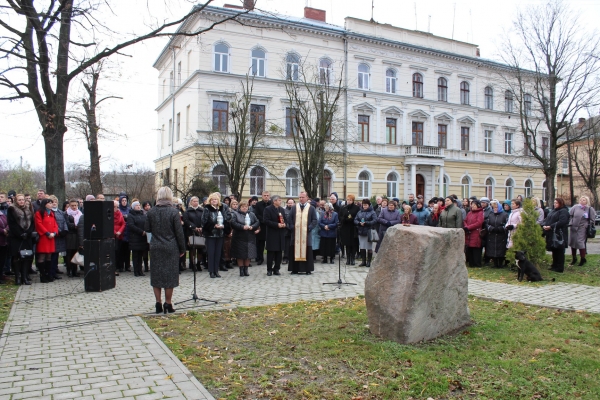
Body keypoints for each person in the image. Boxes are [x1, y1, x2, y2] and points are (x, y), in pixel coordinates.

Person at [144, 187, 185, 313]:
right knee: (170, 276)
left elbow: (147, 228)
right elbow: (179, 232)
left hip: (156, 246)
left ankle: (158, 303)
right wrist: (182, 248)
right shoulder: (174, 212)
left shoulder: (151, 212)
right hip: (171, 246)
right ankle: (168, 303)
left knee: (156, 275)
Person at [7, 194, 36, 285]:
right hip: (16, 237)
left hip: (27, 237)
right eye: (19, 200)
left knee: (27, 257)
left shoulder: (29, 208)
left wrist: (28, 232)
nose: (21, 201)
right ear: (16, 201)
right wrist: (20, 233)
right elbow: (12, 224)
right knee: (16, 257)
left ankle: (25, 276)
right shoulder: (11, 209)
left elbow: (32, 222)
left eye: (23, 200)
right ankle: (17, 277)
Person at [288, 191, 318, 275]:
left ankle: (307, 269)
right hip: (296, 234)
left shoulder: (311, 208)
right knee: (294, 249)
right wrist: (291, 227)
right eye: (300, 197)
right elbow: (289, 218)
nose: (301, 199)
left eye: (303, 197)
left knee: (307, 250)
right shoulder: (294, 207)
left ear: (307, 198)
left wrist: (309, 227)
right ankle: (294, 269)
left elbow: (315, 220)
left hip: (306, 234)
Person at [201, 192, 229, 278]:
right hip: (211, 234)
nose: (214, 201)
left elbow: (226, 219)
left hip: (220, 234)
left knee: (218, 253)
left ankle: (216, 270)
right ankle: (211, 271)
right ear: (210, 200)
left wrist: (224, 226)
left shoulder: (221, 208)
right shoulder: (207, 209)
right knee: (211, 253)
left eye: (216, 199)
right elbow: (204, 222)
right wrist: (213, 225)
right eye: (213, 199)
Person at [230, 200, 260, 277]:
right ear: (240, 207)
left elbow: (257, 222)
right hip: (239, 237)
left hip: (250, 237)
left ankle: (246, 269)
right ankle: (241, 270)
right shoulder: (235, 214)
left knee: (248, 254)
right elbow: (233, 223)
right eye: (243, 206)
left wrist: (252, 227)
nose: (244, 208)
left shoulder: (252, 214)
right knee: (240, 255)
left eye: (246, 206)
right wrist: (242, 227)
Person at [35, 198, 59, 283]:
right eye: (49, 203)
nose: (51, 204)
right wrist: (47, 233)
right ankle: (42, 275)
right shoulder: (39, 213)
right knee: (42, 256)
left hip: (51, 237)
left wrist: (55, 233)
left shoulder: (52, 213)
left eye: (52, 203)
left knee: (49, 256)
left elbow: (55, 224)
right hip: (44, 237)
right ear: (45, 204)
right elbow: (39, 224)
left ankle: (49, 274)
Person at [543, 198, 570, 273]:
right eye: (554, 203)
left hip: (559, 233)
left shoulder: (563, 211)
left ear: (561, 203)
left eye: (556, 203)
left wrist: (551, 226)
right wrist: (545, 225)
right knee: (554, 249)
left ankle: (559, 267)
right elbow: (547, 219)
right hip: (551, 232)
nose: (555, 204)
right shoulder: (553, 211)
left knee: (560, 250)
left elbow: (562, 221)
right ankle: (554, 265)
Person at [568, 195, 595, 266]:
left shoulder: (589, 209)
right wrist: (571, 222)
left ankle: (582, 258)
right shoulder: (575, 207)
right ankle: (574, 258)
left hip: (582, 228)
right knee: (572, 242)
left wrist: (586, 225)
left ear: (587, 201)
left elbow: (592, 220)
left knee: (580, 243)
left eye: (584, 200)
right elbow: (570, 215)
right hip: (573, 228)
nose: (582, 201)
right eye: (581, 200)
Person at [263, 195, 287, 276]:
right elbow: (266, 221)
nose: (280, 202)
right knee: (271, 253)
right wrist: (277, 225)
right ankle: (269, 269)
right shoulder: (268, 209)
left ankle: (277, 268)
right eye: (279, 200)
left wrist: (285, 224)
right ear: (274, 201)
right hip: (272, 234)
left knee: (279, 253)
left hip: (280, 234)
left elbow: (285, 219)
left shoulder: (282, 210)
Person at [49, 195, 68, 279]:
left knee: (56, 255)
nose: (54, 204)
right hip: (54, 236)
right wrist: (58, 231)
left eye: (55, 202)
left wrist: (65, 230)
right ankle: (51, 272)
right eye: (52, 202)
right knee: (52, 256)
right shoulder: (49, 213)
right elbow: (53, 224)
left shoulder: (60, 212)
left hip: (60, 236)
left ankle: (55, 270)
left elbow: (64, 221)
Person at [183, 196, 204, 271]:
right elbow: (186, 221)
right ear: (191, 202)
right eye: (194, 201)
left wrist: (201, 227)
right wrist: (194, 227)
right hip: (191, 231)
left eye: (197, 201)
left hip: (200, 232)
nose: (196, 203)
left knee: (200, 248)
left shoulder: (201, 210)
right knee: (192, 248)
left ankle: (198, 263)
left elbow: (204, 219)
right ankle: (193, 264)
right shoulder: (187, 211)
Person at [128, 201, 148, 277]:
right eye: (137, 205)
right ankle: (136, 271)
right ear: (133, 207)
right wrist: (141, 232)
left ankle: (140, 270)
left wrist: (145, 231)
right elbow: (131, 225)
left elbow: (146, 223)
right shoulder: (131, 215)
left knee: (141, 255)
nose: (138, 206)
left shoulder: (142, 214)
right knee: (135, 255)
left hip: (142, 238)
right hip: (135, 238)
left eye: (139, 205)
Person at [486, 200, 508, 268]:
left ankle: (500, 264)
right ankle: (495, 264)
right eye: (494, 208)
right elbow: (487, 224)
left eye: (496, 208)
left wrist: (501, 228)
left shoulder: (504, 215)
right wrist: (491, 228)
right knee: (493, 249)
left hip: (501, 235)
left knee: (501, 249)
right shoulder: (491, 214)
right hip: (492, 234)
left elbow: (507, 224)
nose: (495, 209)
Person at [354, 199, 377, 267]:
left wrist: (367, 223)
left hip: (369, 231)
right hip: (361, 231)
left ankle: (369, 261)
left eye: (366, 205)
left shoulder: (372, 212)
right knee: (362, 247)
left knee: (369, 248)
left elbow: (375, 220)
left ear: (369, 205)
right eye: (364, 205)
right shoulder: (359, 212)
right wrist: (359, 223)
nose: (365, 206)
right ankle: (363, 261)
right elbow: (355, 219)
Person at [338, 194, 360, 265]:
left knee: (353, 244)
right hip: (345, 227)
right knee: (347, 244)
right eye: (348, 200)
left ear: (353, 200)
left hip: (353, 228)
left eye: (350, 200)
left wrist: (352, 219)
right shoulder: (343, 207)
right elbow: (340, 216)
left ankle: (353, 258)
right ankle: (348, 259)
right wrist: (344, 219)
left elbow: (358, 216)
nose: (349, 201)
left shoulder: (356, 208)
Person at [464, 200, 484, 267]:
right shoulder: (469, 213)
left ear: (477, 206)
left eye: (474, 205)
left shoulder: (480, 213)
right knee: (469, 248)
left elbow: (479, 223)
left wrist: (469, 227)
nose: (472, 206)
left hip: (476, 232)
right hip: (469, 233)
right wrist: (466, 226)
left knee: (476, 248)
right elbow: (465, 220)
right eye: (472, 204)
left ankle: (477, 263)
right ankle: (471, 263)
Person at [253, 191, 271, 265]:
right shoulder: (258, 204)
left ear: (269, 196)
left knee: (270, 244)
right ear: (262, 196)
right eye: (264, 195)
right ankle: (260, 258)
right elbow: (256, 214)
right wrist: (264, 220)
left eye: (267, 195)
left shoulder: (272, 204)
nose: (266, 196)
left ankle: (270, 258)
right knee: (260, 244)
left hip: (270, 226)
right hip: (261, 226)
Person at [65, 199, 82, 277]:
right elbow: (67, 223)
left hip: (77, 235)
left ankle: (75, 270)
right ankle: (69, 270)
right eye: (72, 205)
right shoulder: (67, 214)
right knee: (69, 253)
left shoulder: (80, 213)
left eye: (75, 205)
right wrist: (75, 226)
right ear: (69, 206)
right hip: (70, 235)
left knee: (75, 253)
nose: (74, 207)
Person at [117, 195, 131, 272]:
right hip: (121, 232)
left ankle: (127, 266)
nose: (124, 202)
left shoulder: (129, 209)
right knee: (121, 250)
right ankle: (121, 266)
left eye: (125, 201)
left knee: (127, 251)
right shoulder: (119, 210)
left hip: (128, 232)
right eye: (123, 201)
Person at [113, 200, 126, 275]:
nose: (116, 208)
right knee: (113, 252)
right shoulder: (109, 214)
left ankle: (119, 266)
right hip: (112, 235)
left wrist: (120, 232)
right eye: (114, 207)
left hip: (119, 235)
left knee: (119, 251)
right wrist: (115, 232)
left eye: (117, 207)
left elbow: (123, 223)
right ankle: (113, 268)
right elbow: (108, 224)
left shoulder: (119, 213)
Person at [282, 198, 294, 264]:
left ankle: (292, 258)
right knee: (286, 246)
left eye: (291, 203)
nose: (290, 204)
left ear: (293, 203)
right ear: (287, 203)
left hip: (294, 230)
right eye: (289, 203)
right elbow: (283, 220)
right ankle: (285, 258)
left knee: (293, 245)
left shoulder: (296, 210)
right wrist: (288, 227)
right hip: (286, 230)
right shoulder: (283, 210)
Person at [141, 201, 152, 272]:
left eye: (148, 205)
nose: (147, 207)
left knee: (152, 250)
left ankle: (152, 265)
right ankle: (145, 266)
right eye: (145, 206)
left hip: (151, 233)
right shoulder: (142, 214)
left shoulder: (153, 213)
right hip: (144, 234)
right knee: (145, 251)